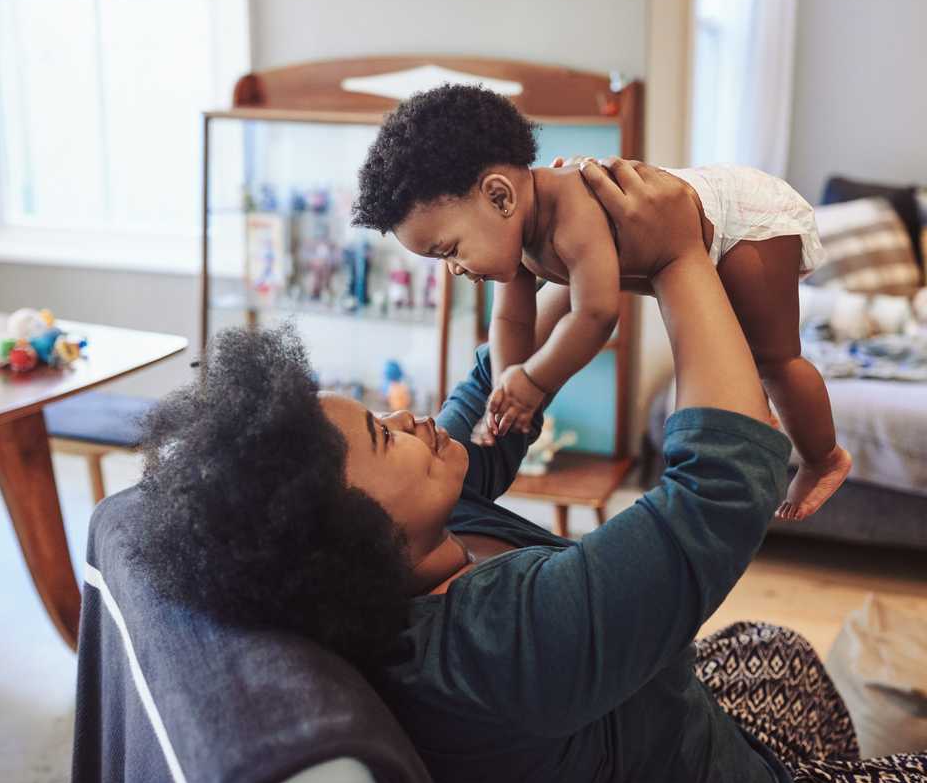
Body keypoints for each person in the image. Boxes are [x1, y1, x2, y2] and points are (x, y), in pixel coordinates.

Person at [135, 160, 926, 783]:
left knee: (779, 645)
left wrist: (563, 263)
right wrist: (681, 254)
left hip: (671, 713)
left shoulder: (422, 538)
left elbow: (490, 399)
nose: (411, 418)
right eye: (383, 436)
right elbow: (719, 488)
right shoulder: (497, 643)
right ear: (352, 536)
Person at [351, 84, 851, 521]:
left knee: (774, 359)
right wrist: (507, 383)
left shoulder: (575, 208)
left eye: (450, 250)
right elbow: (510, 319)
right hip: (696, 236)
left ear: (500, 198)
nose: (455, 269)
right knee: (735, 343)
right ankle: (756, 417)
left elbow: (595, 313)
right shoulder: (517, 236)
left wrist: (535, 380)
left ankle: (823, 458)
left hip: (744, 220)